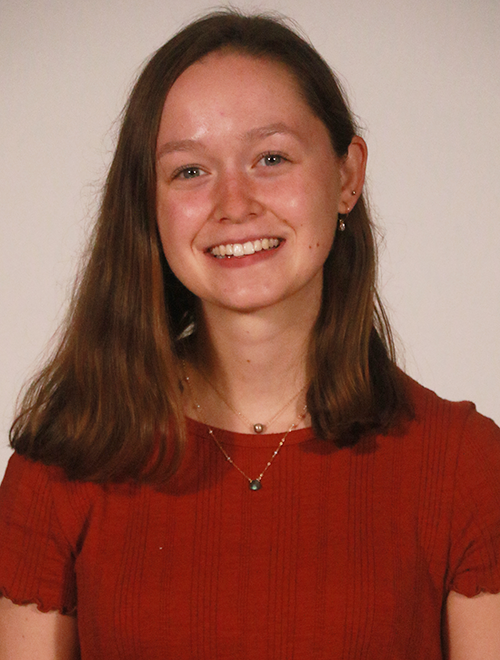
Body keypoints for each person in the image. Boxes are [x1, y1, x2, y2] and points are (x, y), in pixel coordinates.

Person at [0, 10, 499, 659]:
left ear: (347, 175)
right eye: (189, 170)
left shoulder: (465, 467)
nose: (234, 203)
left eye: (270, 157)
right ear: (147, 204)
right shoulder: (61, 470)